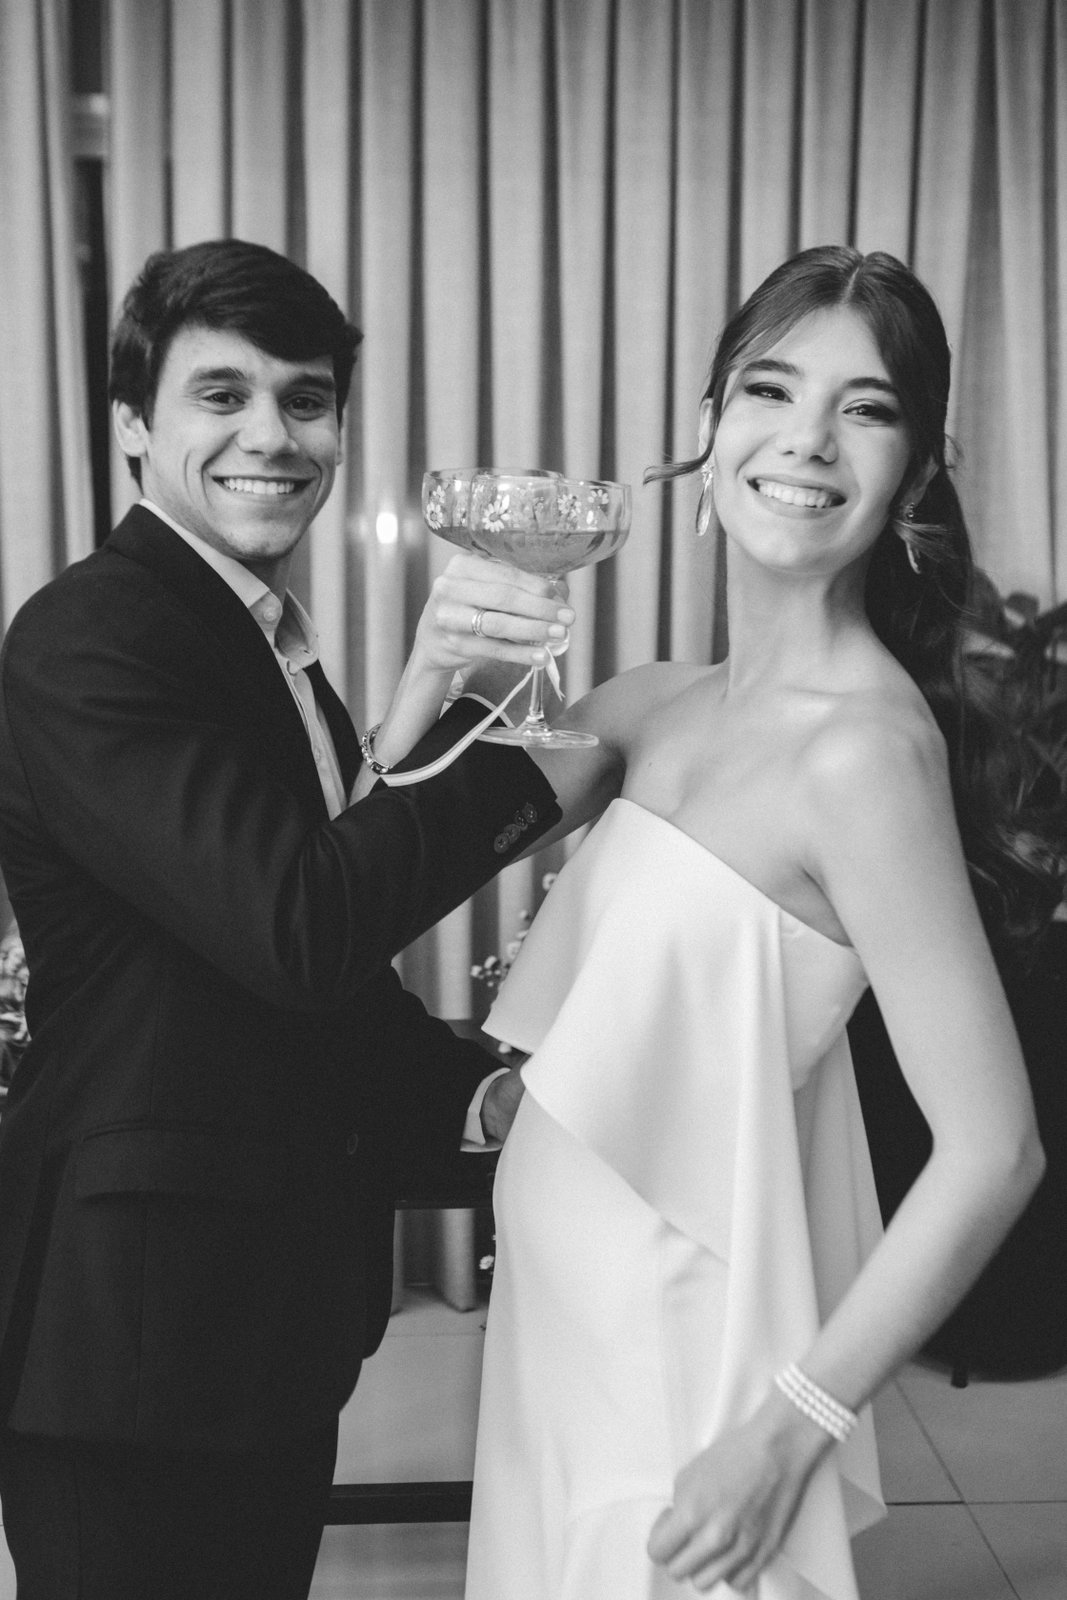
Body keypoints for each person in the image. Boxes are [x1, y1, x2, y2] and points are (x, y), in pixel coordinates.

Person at [393, 247, 1057, 1599]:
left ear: (915, 476)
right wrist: (431, 662)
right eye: (770, 389)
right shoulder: (649, 706)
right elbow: (369, 869)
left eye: (866, 409)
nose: (806, 438)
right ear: (708, 429)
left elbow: (995, 1152)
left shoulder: (863, 756)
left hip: (689, 1375)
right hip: (558, 1344)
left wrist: (788, 1430)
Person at [0, 238, 575, 1600]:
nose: (272, 434)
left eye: (305, 400)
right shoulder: (90, 633)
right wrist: (538, 771)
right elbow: (298, 925)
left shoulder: (264, 645)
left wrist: (480, 1093)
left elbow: (313, 977)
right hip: (131, 1337)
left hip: (261, 1315)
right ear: (133, 427)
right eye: (222, 395)